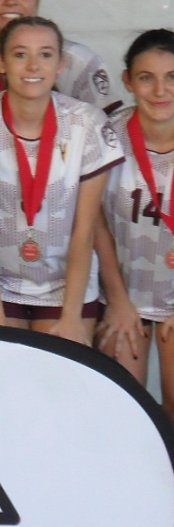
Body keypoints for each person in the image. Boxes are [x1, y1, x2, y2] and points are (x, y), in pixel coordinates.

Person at [0, 17, 122, 343]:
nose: (33, 65)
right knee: (1, 370)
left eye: (46, 54)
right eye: (20, 54)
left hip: (66, 288)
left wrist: (71, 317)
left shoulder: (87, 124)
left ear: (61, 65)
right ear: (1, 62)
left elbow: (85, 229)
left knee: (60, 371)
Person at [94, 29, 174, 419]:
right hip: (125, 294)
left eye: (172, 77)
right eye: (146, 77)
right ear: (127, 81)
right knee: (125, 408)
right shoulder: (107, 137)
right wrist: (118, 300)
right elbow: (94, 221)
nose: (160, 90)